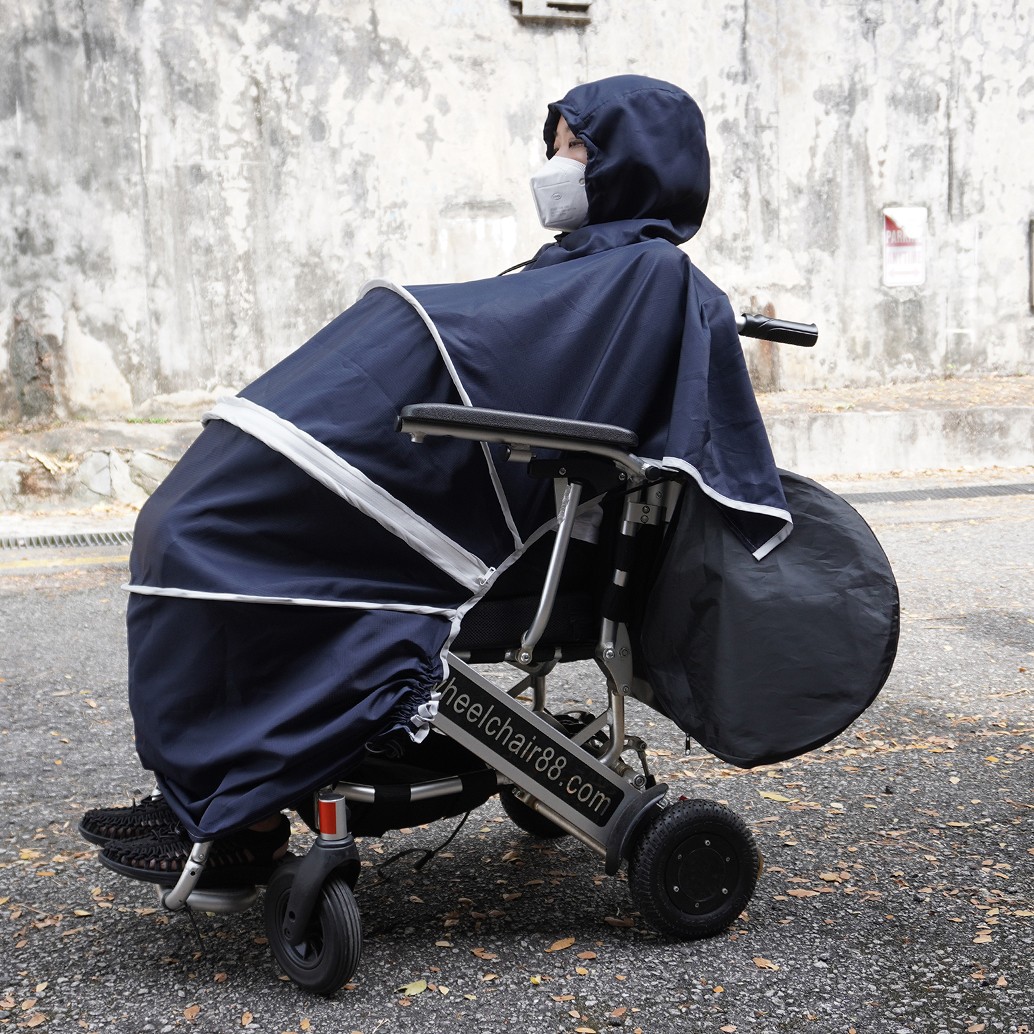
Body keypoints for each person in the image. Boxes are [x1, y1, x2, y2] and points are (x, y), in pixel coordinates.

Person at [81, 75, 790, 885]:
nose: (553, 165)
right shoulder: (584, 270)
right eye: (554, 145)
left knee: (202, 536)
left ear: (630, 162)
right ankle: (214, 795)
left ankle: (230, 815)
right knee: (191, 528)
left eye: (571, 147)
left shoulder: (646, 278)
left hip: (489, 540)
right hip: (463, 503)